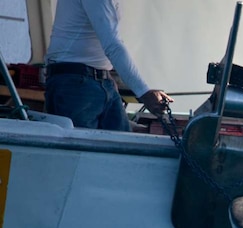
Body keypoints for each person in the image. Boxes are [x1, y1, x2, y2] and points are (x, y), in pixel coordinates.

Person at [44, 0, 173, 131]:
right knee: (86, 147)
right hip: (76, 84)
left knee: (120, 143)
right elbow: (113, 45)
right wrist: (143, 92)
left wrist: (107, 76)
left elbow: (111, 43)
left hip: (92, 81)